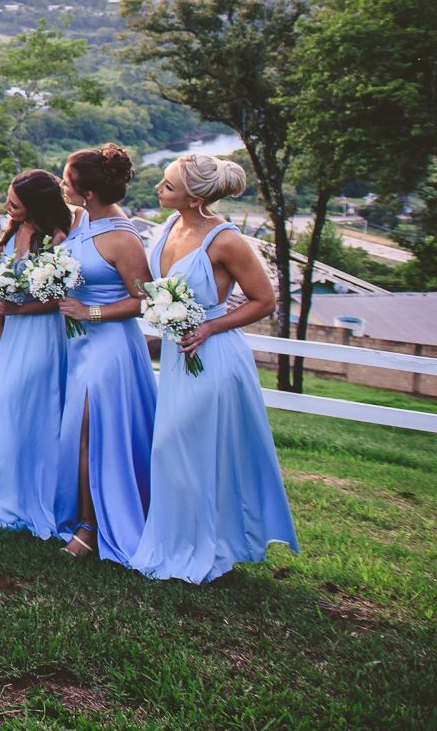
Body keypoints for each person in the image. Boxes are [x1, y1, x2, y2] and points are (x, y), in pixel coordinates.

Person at [130, 155, 297, 582]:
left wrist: (208, 326)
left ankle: (208, 546)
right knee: (172, 451)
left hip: (214, 355)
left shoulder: (226, 240)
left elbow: (265, 300)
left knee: (190, 448)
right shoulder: (168, 227)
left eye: (167, 186)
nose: (159, 191)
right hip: (175, 352)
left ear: (195, 195)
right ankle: (173, 541)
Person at [52, 144, 155, 564]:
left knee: (90, 439)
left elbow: (144, 299)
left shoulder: (123, 237)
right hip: (77, 346)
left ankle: (91, 529)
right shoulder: (81, 221)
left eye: (67, 179)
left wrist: (90, 311)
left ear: (88, 192)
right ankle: (79, 514)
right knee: (78, 433)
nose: (62, 184)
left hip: (110, 346)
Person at [0, 169, 74, 536]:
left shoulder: (56, 239)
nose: (7, 207)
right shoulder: (13, 230)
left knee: (18, 411)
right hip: (14, 335)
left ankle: (27, 502)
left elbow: (55, 301)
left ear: (35, 204)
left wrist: (12, 310)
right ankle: (2, 500)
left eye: (14, 203)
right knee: (2, 413)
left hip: (42, 336)